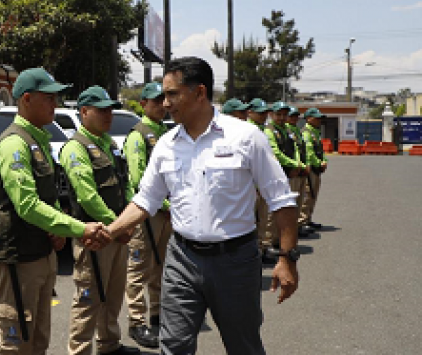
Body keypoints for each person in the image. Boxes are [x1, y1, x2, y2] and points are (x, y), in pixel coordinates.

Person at [101, 57, 300, 355]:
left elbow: (281, 201)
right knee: (174, 346)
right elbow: (146, 200)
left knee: (243, 345)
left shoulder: (245, 137)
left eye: (172, 94)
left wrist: (286, 258)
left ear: (199, 92)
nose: (165, 103)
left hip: (235, 261)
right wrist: (109, 231)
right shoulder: (166, 145)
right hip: (181, 259)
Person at [0, 68, 109, 355]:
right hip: (18, 256)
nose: (56, 104)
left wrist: (55, 228)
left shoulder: (37, 139)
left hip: (40, 252)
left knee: (39, 338)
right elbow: (27, 204)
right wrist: (78, 227)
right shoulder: (14, 143)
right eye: (49, 98)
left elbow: (46, 195)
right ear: (26, 99)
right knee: (19, 340)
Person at [59, 86, 139, 355]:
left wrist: (126, 221)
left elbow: (125, 184)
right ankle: (80, 350)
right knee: (88, 299)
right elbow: (87, 195)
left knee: (114, 294)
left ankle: (109, 345)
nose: (109, 115)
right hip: (95, 236)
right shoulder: (75, 148)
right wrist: (118, 226)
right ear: (84, 112)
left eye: (110, 109)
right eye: (101, 110)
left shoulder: (110, 144)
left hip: (117, 232)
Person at [122, 82, 171, 349]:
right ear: (143, 104)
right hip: (147, 213)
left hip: (166, 213)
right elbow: (138, 178)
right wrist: (165, 205)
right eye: (154, 101)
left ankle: (157, 314)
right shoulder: (138, 135)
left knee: (160, 266)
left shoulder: (164, 132)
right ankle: (137, 322)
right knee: (138, 269)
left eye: (163, 100)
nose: (161, 105)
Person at [265, 102, 308, 250]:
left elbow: (295, 148)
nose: (282, 117)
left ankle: (278, 240)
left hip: (290, 173)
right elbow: (275, 152)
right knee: (274, 210)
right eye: (279, 114)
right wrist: (294, 164)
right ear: (271, 115)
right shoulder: (269, 131)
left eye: (285, 114)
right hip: (276, 175)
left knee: (288, 207)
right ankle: (268, 241)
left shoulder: (286, 130)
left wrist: (297, 163)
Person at [246, 98, 275, 260]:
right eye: (260, 113)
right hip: (252, 185)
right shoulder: (249, 130)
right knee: (253, 219)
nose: (264, 116)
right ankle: (256, 251)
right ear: (250, 112)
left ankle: (262, 248)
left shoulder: (261, 130)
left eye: (265, 113)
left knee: (263, 217)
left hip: (262, 182)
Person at [299, 108, 327, 230]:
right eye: (316, 118)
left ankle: (308, 219)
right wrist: (318, 163)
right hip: (311, 169)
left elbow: (321, 150)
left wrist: (325, 160)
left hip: (317, 168)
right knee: (307, 195)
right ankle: (302, 221)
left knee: (313, 195)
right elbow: (309, 152)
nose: (319, 120)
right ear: (308, 118)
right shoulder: (306, 132)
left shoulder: (315, 132)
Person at [286, 107, 311, 237]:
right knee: (291, 202)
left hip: (300, 169)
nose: (294, 118)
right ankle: (290, 229)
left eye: (296, 116)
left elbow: (300, 150)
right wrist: (297, 165)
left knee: (300, 200)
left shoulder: (296, 130)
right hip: (292, 171)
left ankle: (297, 226)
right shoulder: (286, 130)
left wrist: (304, 164)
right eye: (291, 116)